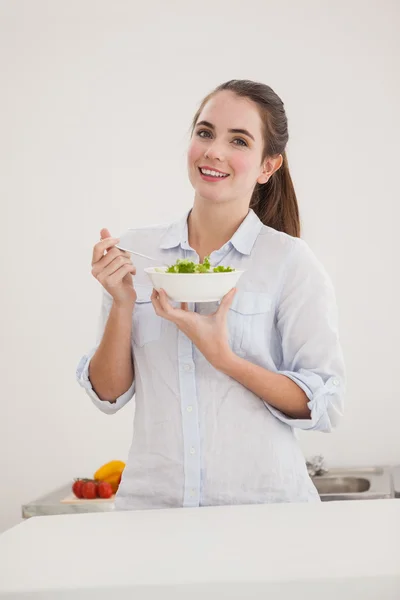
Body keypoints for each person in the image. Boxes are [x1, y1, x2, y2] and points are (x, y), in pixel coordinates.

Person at [76, 79, 346, 510]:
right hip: (153, 511)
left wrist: (226, 358)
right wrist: (123, 304)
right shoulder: (138, 251)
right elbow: (108, 394)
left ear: (267, 166)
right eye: (205, 132)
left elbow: (323, 402)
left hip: (265, 510)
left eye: (238, 140)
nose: (214, 151)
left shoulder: (289, 262)